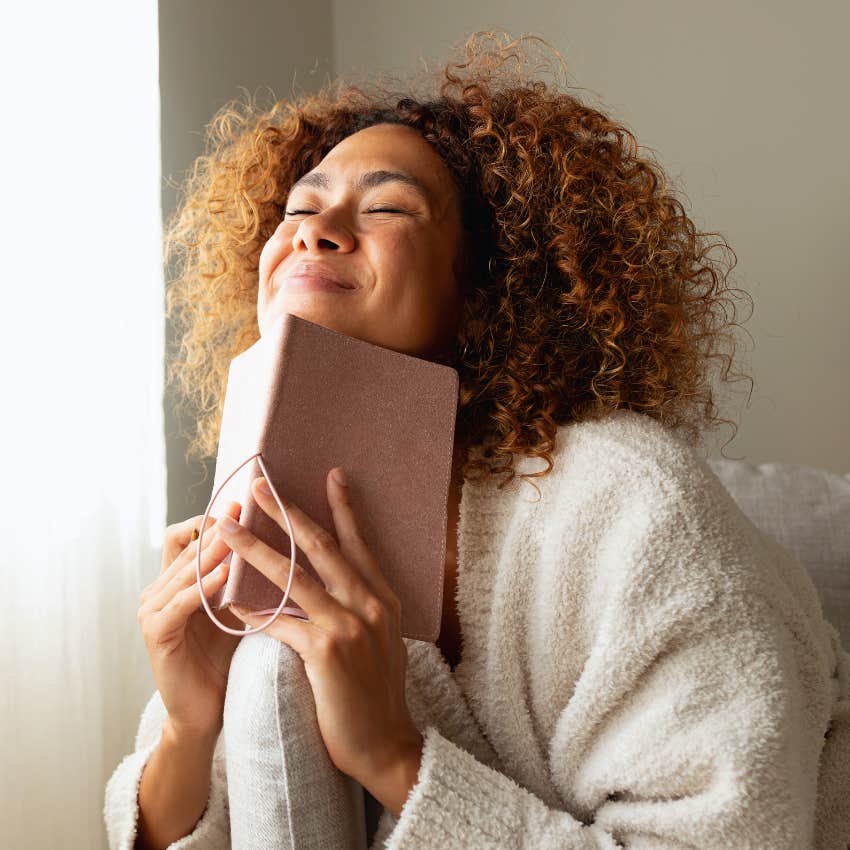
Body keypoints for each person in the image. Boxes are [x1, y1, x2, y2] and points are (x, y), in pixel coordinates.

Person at [104, 29, 850, 850]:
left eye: (385, 207)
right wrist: (187, 724)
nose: (313, 233)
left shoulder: (629, 503)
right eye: (299, 209)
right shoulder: (273, 495)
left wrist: (392, 753)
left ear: (489, 288)